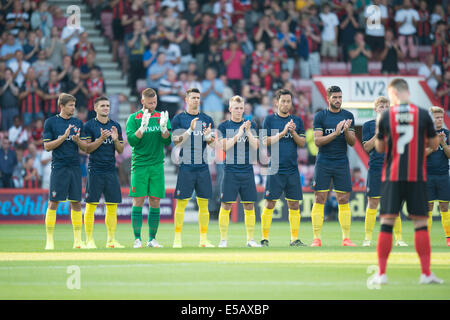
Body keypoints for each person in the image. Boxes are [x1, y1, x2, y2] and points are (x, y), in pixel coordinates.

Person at [373, 78, 442, 285]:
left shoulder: (386, 116)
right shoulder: (422, 114)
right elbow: (433, 143)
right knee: (421, 224)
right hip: (416, 176)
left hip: (392, 176)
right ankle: (425, 273)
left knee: (387, 223)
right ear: (407, 92)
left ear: (392, 94)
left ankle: (382, 274)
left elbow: (379, 148)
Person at [311, 86, 356, 247]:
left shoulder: (348, 116)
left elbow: (352, 143)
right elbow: (317, 141)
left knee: (343, 199)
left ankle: (346, 238)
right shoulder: (320, 117)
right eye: (335, 97)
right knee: (319, 198)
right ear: (328, 98)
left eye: (340, 97)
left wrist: (346, 132)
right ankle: (316, 238)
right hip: (323, 161)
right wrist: (336, 133)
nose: (338, 100)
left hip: (341, 162)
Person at [260, 89, 307, 247]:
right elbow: (264, 141)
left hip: (292, 169)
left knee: (294, 204)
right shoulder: (269, 120)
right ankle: (264, 238)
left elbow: (302, 143)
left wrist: (292, 132)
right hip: (275, 168)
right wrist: (283, 132)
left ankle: (294, 239)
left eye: (288, 101)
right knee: (270, 203)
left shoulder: (297, 121)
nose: (286, 104)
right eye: (283, 101)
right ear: (276, 102)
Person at [125, 88, 171, 248]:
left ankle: (152, 238)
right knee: (138, 200)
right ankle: (137, 238)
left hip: (157, 165)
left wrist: (164, 129)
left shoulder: (161, 116)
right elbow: (131, 141)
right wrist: (142, 128)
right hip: (140, 165)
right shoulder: (133, 118)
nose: (153, 105)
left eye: (155, 102)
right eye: (150, 102)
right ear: (142, 101)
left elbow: (167, 141)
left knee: (155, 201)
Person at [171, 88, 215, 248]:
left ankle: (203, 240)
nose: (196, 100)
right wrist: (189, 129)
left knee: (204, 204)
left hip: (202, 167)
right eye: (193, 97)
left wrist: (209, 136)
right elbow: (176, 142)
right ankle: (177, 239)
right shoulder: (178, 119)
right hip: (186, 166)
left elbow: (211, 143)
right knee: (181, 203)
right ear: (186, 99)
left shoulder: (207, 119)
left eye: (198, 97)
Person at [43, 93, 87, 250]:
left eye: (74, 105)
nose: (73, 108)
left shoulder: (77, 122)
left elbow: (84, 147)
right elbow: (47, 146)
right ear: (61, 106)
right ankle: (49, 240)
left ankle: (77, 240)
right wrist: (64, 137)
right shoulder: (51, 122)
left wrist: (78, 141)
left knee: (76, 202)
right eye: (70, 105)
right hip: (59, 167)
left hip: (75, 166)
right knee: (53, 202)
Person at [362, 96, 407, 247]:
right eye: (381, 106)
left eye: (387, 106)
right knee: (373, 202)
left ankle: (399, 239)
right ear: (376, 109)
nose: (384, 109)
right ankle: (367, 239)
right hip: (375, 169)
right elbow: (367, 147)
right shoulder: (368, 125)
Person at [217, 95, 260, 248]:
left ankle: (250, 239)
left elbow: (256, 146)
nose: (239, 111)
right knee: (226, 205)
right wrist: (238, 133)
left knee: (249, 205)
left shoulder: (251, 125)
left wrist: (247, 131)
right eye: (236, 108)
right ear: (230, 109)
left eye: (241, 108)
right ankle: (223, 240)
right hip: (230, 171)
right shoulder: (223, 126)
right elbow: (223, 147)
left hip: (247, 170)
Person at [82, 96, 125, 249]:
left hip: (111, 170)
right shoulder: (89, 126)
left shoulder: (115, 126)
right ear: (95, 108)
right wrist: (100, 138)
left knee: (112, 206)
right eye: (102, 106)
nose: (106, 108)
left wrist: (114, 139)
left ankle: (111, 240)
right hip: (95, 170)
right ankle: (89, 240)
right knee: (91, 206)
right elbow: (87, 149)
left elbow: (120, 150)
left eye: (107, 105)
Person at [425, 106, 450, 246]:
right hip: (428, 175)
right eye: (437, 117)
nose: (440, 120)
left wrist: (443, 143)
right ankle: (426, 239)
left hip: (443, 175)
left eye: (441, 117)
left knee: (444, 207)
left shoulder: (447, 133)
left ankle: (448, 238)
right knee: (428, 207)